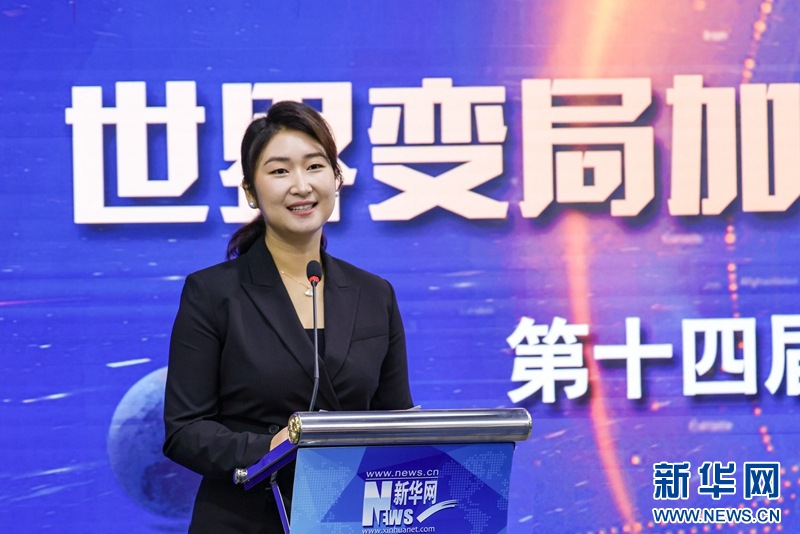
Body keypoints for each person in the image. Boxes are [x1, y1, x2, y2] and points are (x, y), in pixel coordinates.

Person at [163, 101, 413, 533]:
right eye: (279, 171)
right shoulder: (213, 292)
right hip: (244, 518)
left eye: (315, 166)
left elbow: (396, 422)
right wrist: (272, 447)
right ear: (250, 191)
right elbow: (184, 431)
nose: (301, 185)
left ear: (336, 179)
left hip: (348, 519)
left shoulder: (375, 295)